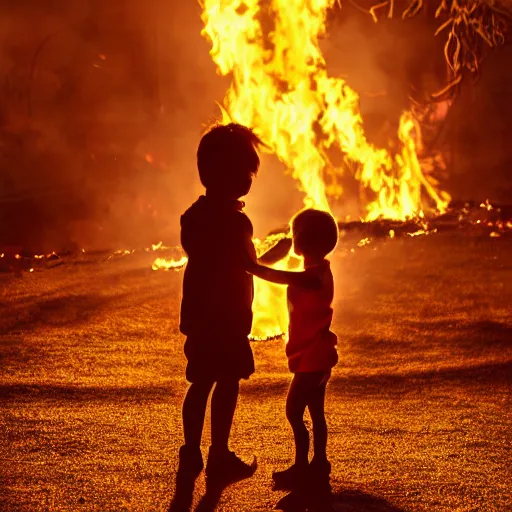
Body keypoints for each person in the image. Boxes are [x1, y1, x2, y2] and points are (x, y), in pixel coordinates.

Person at [178, 122, 271, 484]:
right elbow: (250, 264)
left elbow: (202, 255)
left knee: (200, 382)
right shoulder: (237, 221)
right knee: (228, 381)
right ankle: (219, 452)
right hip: (230, 319)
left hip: (200, 318)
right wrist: (285, 255)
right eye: (247, 171)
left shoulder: (193, 216)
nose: (250, 178)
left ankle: (191, 451)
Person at [248, 209, 339, 489]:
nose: (290, 237)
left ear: (303, 239)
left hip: (312, 357)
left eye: (293, 232)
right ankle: (319, 463)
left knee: (294, 412)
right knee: (315, 413)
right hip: (314, 354)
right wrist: (259, 262)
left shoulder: (314, 277)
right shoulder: (317, 271)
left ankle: (303, 466)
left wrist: (251, 267)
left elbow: (281, 277)